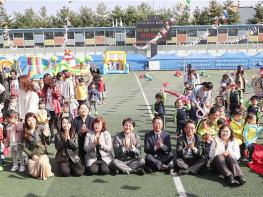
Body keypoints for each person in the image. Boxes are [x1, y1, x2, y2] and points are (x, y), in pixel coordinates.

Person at [22, 112, 54, 180]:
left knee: (42, 162)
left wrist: (47, 136)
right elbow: (23, 146)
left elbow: (48, 143)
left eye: (33, 120)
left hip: (42, 154)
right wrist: (32, 155)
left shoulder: (41, 128)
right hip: (32, 157)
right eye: (29, 120)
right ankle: (39, 172)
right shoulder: (24, 131)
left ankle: (44, 172)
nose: (31, 122)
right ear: (26, 121)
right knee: (34, 173)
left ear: (36, 120)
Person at [41, 73, 62, 140]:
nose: (45, 81)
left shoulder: (55, 86)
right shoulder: (45, 87)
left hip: (55, 107)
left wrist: (54, 91)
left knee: (57, 122)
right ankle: (52, 135)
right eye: (44, 80)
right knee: (50, 122)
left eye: (46, 80)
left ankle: (59, 135)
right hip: (48, 107)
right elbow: (42, 94)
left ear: (50, 79)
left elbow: (59, 95)